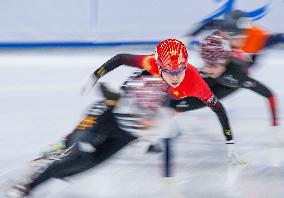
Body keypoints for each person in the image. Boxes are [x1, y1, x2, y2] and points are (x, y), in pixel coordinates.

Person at [6, 76, 177, 198]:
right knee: (76, 154)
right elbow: (107, 89)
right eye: (144, 115)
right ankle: (28, 182)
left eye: (152, 116)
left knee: (87, 164)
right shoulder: (118, 105)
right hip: (102, 119)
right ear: (135, 106)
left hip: (125, 134)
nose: (149, 121)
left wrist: (168, 175)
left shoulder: (162, 117)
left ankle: (56, 158)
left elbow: (168, 140)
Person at [83, 38, 235, 144]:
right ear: (160, 66)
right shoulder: (151, 64)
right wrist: (96, 75)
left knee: (167, 110)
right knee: (143, 82)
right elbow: (120, 58)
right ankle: (124, 98)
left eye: (179, 71)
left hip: (174, 98)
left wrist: (229, 138)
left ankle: (151, 128)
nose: (174, 77)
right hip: (151, 91)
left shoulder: (195, 82)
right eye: (170, 71)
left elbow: (218, 108)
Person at [171, 31, 279, 127]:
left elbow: (269, 95)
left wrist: (275, 124)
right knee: (175, 98)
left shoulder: (237, 76)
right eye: (206, 63)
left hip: (229, 83)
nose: (208, 69)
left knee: (180, 105)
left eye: (212, 65)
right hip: (222, 71)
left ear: (224, 62)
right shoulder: (212, 68)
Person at [185, 10, 284, 66]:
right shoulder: (224, 27)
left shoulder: (261, 37)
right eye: (230, 34)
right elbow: (208, 24)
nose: (233, 38)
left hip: (250, 52)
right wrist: (190, 36)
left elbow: (278, 38)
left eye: (239, 36)